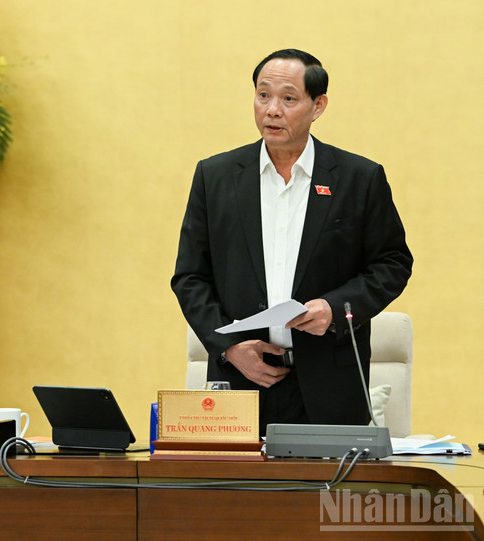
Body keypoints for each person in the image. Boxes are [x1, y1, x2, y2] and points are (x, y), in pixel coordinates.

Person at [171, 49, 413, 434]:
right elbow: (190, 277)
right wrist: (229, 347)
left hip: (330, 384)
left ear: (318, 106)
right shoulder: (215, 177)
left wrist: (335, 309)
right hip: (242, 379)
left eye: (288, 98)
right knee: (236, 478)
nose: (272, 110)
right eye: (263, 95)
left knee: (325, 477)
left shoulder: (358, 178)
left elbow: (392, 262)